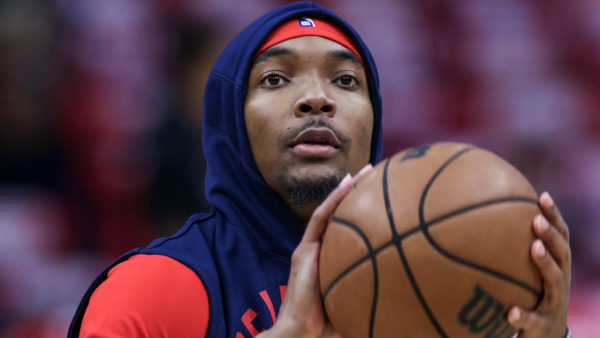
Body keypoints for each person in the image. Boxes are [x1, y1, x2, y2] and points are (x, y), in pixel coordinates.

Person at [68, 2, 572, 337]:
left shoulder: (443, 281)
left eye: (346, 80)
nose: (316, 99)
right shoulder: (160, 287)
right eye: (275, 78)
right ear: (230, 122)